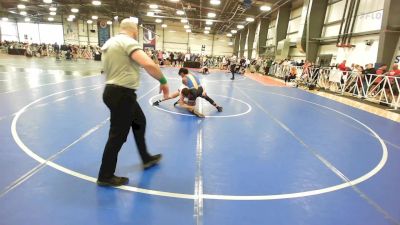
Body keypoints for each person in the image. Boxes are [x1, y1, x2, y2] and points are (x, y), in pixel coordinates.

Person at [97, 18, 170, 187]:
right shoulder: (127, 42)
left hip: (113, 92)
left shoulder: (110, 42)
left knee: (139, 121)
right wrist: (163, 81)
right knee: (117, 136)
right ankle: (105, 175)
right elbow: (147, 63)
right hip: (122, 94)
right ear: (135, 31)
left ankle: (146, 158)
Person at [153, 68, 223, 116]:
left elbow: (184, 90)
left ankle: (192, 109)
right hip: (200, 89)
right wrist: (204, 91)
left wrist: (182, 100)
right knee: (207, 98)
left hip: (191, 91)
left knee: (179, 100)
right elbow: (197, 85)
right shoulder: (192, 74)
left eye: (180, 75)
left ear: (182, 73)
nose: (180, 76)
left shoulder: (183, 79)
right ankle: (218, 107)